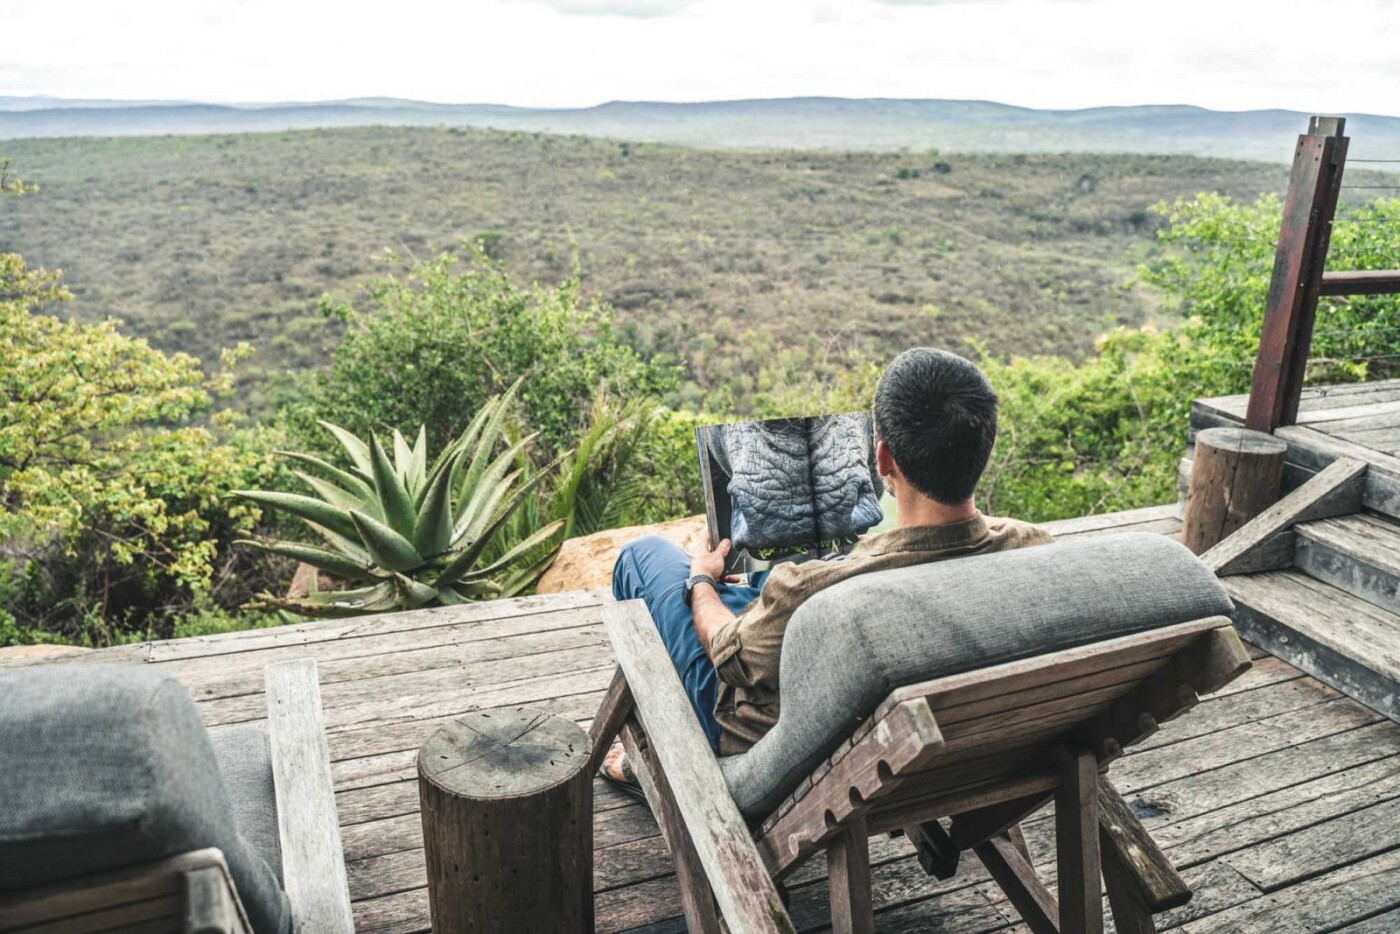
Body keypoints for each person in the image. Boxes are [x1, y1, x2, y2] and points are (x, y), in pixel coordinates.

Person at [601, 348, 1053, 794]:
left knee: (641, 556)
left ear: (883, 460)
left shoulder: (818, 591)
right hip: (959, 752)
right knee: (764, 583)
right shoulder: (1032, 549)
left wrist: (701, 580)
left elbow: (728, 655)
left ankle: (656, 765)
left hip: (769, 739)